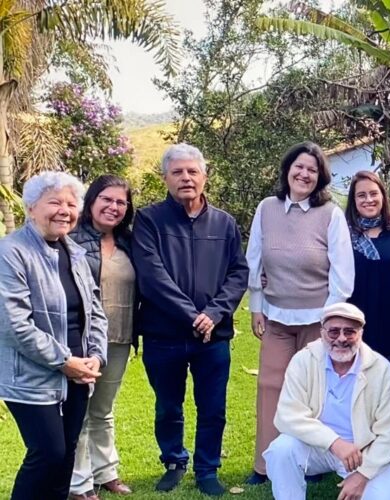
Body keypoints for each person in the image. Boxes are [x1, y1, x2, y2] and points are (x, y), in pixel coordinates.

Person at [133, 143, 249, 496]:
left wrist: (213, 314)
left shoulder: (224, 223)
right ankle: (174, 461)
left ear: (204, 176)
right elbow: (152, 276)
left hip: (212, 338)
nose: (186, 178)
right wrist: (191, 315)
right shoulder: (149, 220)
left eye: (192, 171)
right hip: (163, 334)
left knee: (213, 407)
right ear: (165, 178)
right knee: (169, 406)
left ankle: (207, 468)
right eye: (177, 172)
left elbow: (238, 272)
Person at [245, 141, 354, 483]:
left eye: (312, 169)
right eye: (299, 166)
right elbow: (255, 261)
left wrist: (331, 320)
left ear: (319, 177)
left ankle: (313, 462)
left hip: (317, 320)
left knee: (314, 392)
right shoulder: (266, 208)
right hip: (277, 316)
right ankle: (265, 465)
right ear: (287, 169)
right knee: (270, 386)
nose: (304, 174)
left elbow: (342, 273)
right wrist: (257, 308)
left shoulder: (330, 214)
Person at [0, 171, 107, 500]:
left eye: (71, 203)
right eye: (54, 202)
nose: (65, 209)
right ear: (31, 208)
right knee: (47, 454)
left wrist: (96, 356)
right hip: (31, 375)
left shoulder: (74, 252)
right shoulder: (11, 252)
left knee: (66, 456)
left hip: (78, 374)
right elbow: (14, 323)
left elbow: (95, 309)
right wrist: (64, 361)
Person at [263, 302, 390, 500]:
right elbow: (287, 416)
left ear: (361, 334)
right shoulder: (304, 360)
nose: (341, 338)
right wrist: (334, 442)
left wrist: (363, 475)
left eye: (349, 332)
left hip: (363, 451)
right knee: (281, 450)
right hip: (317, 446)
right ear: (322, 333)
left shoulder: (381, 369)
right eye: (334, 332)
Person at [69, 175, 138, 499]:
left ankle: (106, 472)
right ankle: (79, 484)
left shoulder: (129, 242)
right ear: (91, 200)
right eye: (106, 199)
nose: (113, 207)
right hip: (83, 340)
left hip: (119, 338)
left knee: (103, 409)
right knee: (80, 410)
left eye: (120, 202)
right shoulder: (72, 240)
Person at [346, 170, 390, 357]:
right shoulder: (341, 232)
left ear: (383, 196)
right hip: (353, 320)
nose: (368, 200)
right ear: (354, 200)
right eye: (361, 195)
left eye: (374, 193)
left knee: (387, 378)